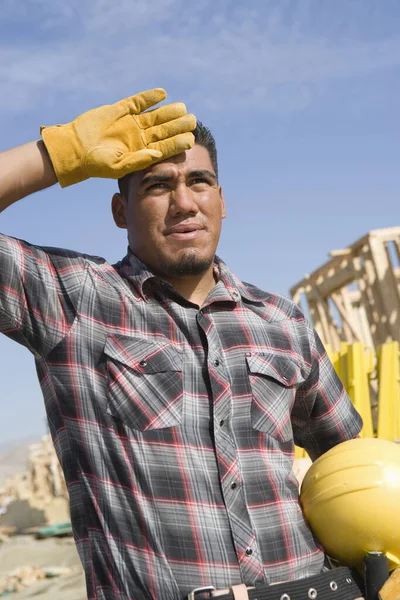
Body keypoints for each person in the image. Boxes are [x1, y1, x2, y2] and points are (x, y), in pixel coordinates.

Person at [0, 87, 363, 600]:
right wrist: (56, 154)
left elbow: (351, 467)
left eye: (200, 181)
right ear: (119, 211)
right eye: (157, 186)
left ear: (222, 200)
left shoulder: (282, 322)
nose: (184, 203)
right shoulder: (75, 302)